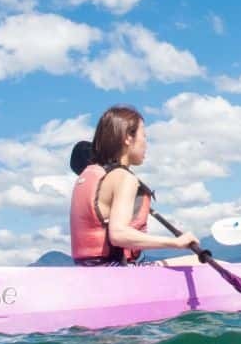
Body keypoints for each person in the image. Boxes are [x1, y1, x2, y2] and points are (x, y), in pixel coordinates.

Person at [70, 105, 198, 265]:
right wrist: (176, 243)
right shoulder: (124, 178)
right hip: (115, 273)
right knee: (205, 263)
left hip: (88, 270)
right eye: (143, 136)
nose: (146, 144)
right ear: (128, 138)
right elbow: (118, 235)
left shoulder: (89, 176)